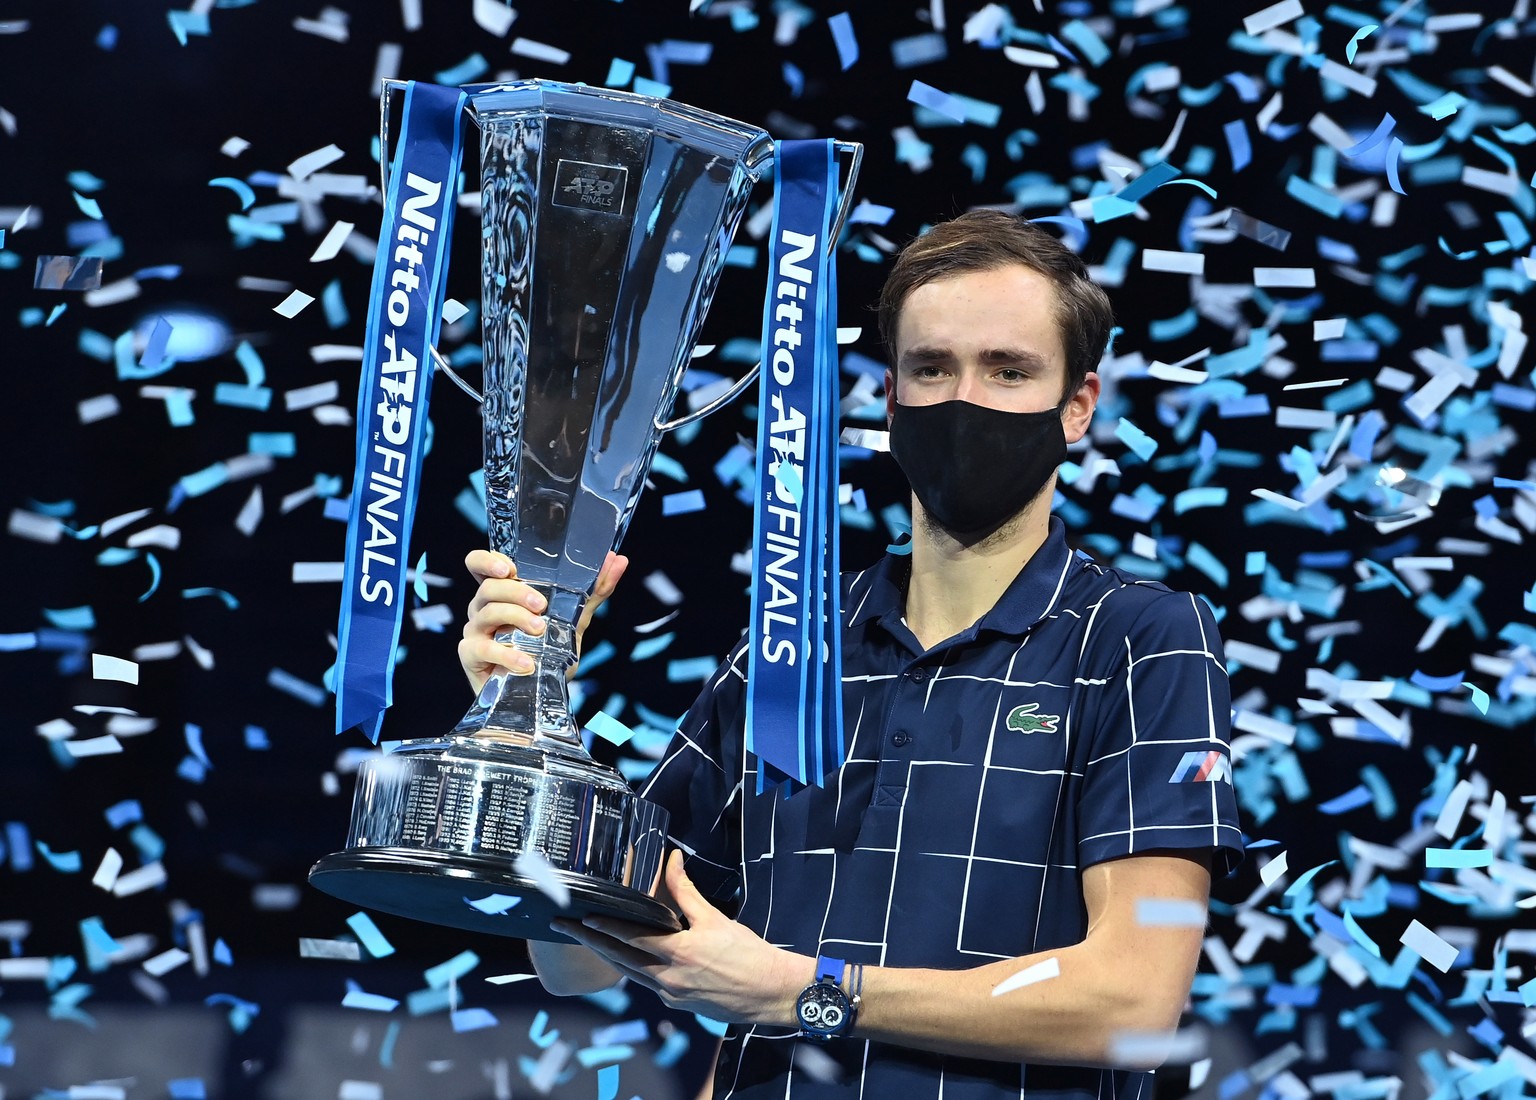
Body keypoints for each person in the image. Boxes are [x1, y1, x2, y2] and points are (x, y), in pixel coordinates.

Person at [460, 209, 1243, 1099]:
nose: (965, 401)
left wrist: (811, 992)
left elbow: (1134, 1001)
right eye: (932, 368)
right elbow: (582, 963)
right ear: (891, 399)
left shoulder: (1142, 638)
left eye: (1009, 371)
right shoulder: (788, 649)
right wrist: (527, 719)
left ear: (1077, 406)